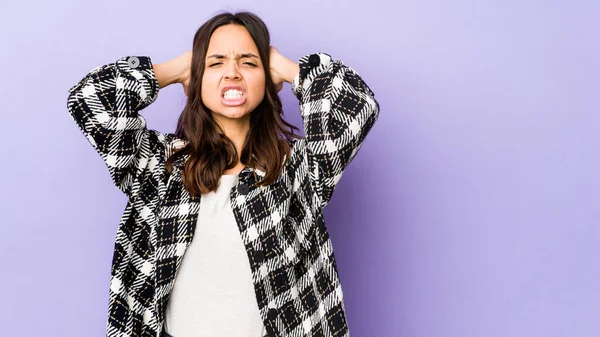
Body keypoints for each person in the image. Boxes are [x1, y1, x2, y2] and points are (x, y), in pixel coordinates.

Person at [67, 11, 379, 337]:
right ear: (197, 78)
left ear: (267, 78)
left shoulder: (298, 169)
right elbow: (88, 101)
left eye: (248, 62)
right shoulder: (161, 166)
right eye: (216, 63)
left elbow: (358, 108)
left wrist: (287, 68)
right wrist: (176, 69)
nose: (232, 72)